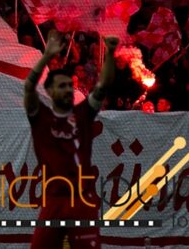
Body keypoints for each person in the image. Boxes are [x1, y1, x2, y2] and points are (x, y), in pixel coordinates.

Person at [25, 29, 117, 249]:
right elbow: (28, 87)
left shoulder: (83, 114)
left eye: (70, 85)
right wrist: (46, 56)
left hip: (82, 200)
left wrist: (111, 53)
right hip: (54, 201)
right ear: (49, 91)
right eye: (62, 86)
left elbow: (103, 86)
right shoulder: (41, 117)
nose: (68, 89)